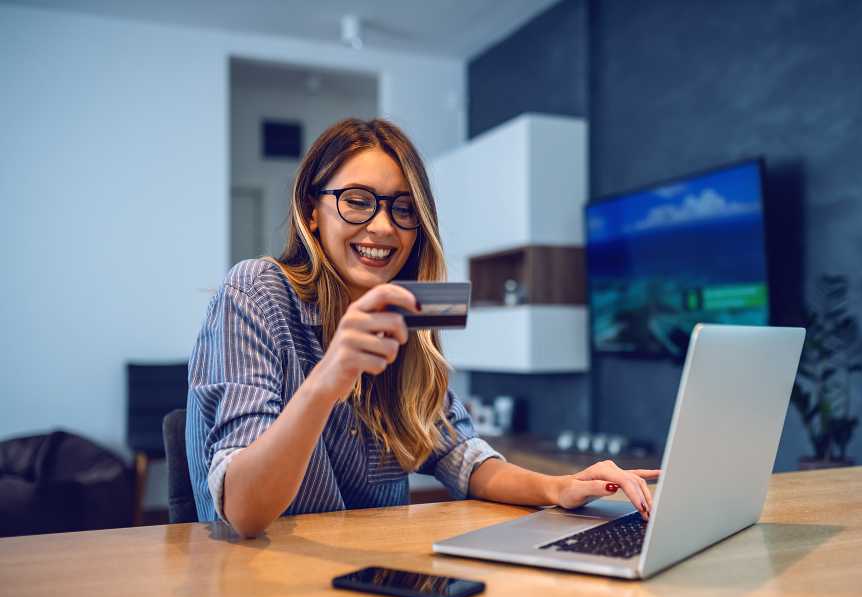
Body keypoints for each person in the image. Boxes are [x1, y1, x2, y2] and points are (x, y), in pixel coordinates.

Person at [186, 118, 658, 538]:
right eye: (357, 202)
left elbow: (462, 458)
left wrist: (559, 486)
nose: (383, 227)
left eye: (404, 208)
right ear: (312, 210)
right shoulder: (256, 292)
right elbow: (245, 512)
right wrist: (327, 380)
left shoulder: (406, 313)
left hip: (380, 574)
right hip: (264, 585)